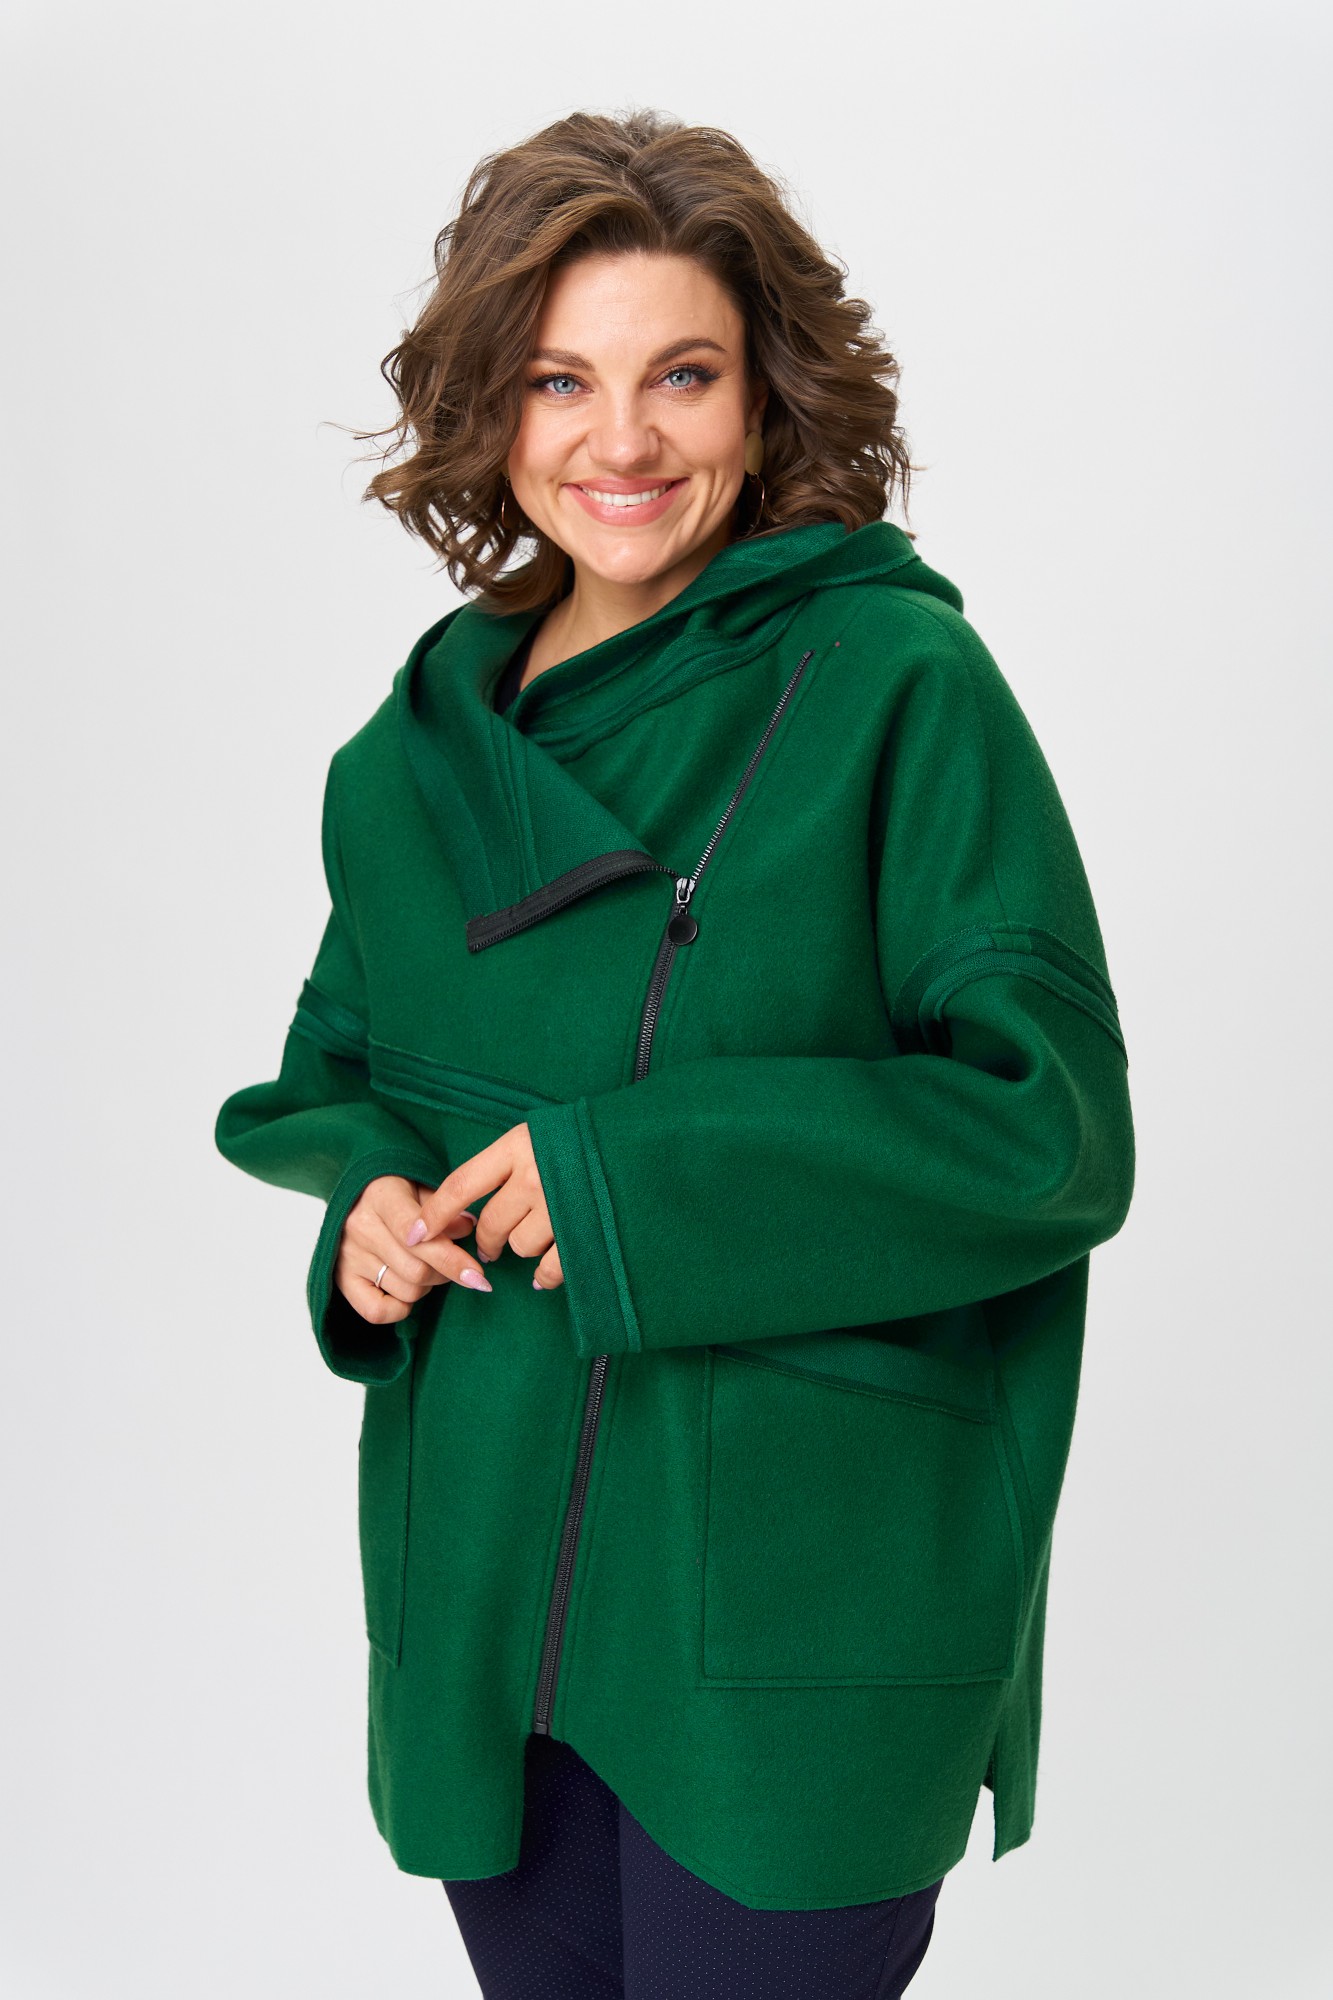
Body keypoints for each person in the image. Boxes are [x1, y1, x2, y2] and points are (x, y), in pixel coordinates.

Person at [214, 107, 1136, 1997]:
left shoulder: (894, 688)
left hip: (790, 1618)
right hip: (488, 1587)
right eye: (561, 379)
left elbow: (1047, 1132)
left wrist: (627, 1178)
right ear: (490, 405)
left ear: (767, 393)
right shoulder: (409, 765)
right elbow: (337, 1077)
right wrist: (368, 1210)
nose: (620, 442)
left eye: (682, 376)